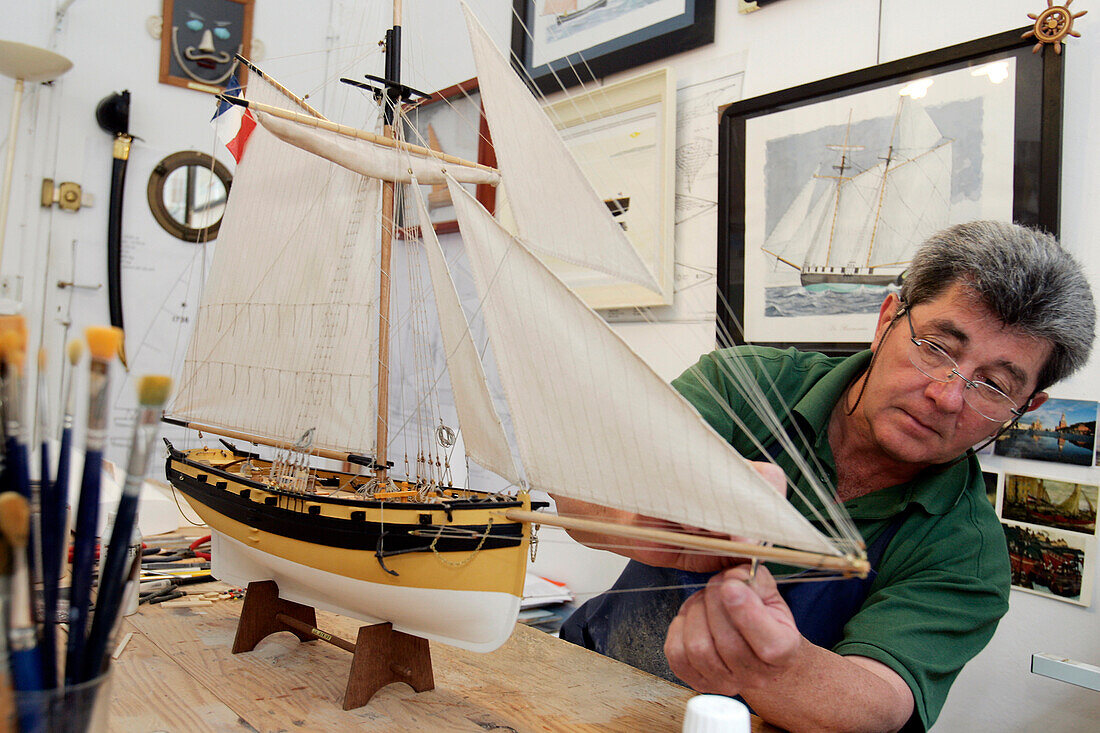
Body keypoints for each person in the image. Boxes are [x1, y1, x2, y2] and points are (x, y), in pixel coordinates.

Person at [555, 221, 1095, 732]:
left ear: (1027, 405)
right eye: (936, 349)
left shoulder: (966, 551)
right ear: (887, 320)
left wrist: (773, 665)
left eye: (994, 385)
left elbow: (882, 703)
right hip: (588, 690)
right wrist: (651, 521)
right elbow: (577, 490)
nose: (946, 396)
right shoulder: (747, 385)